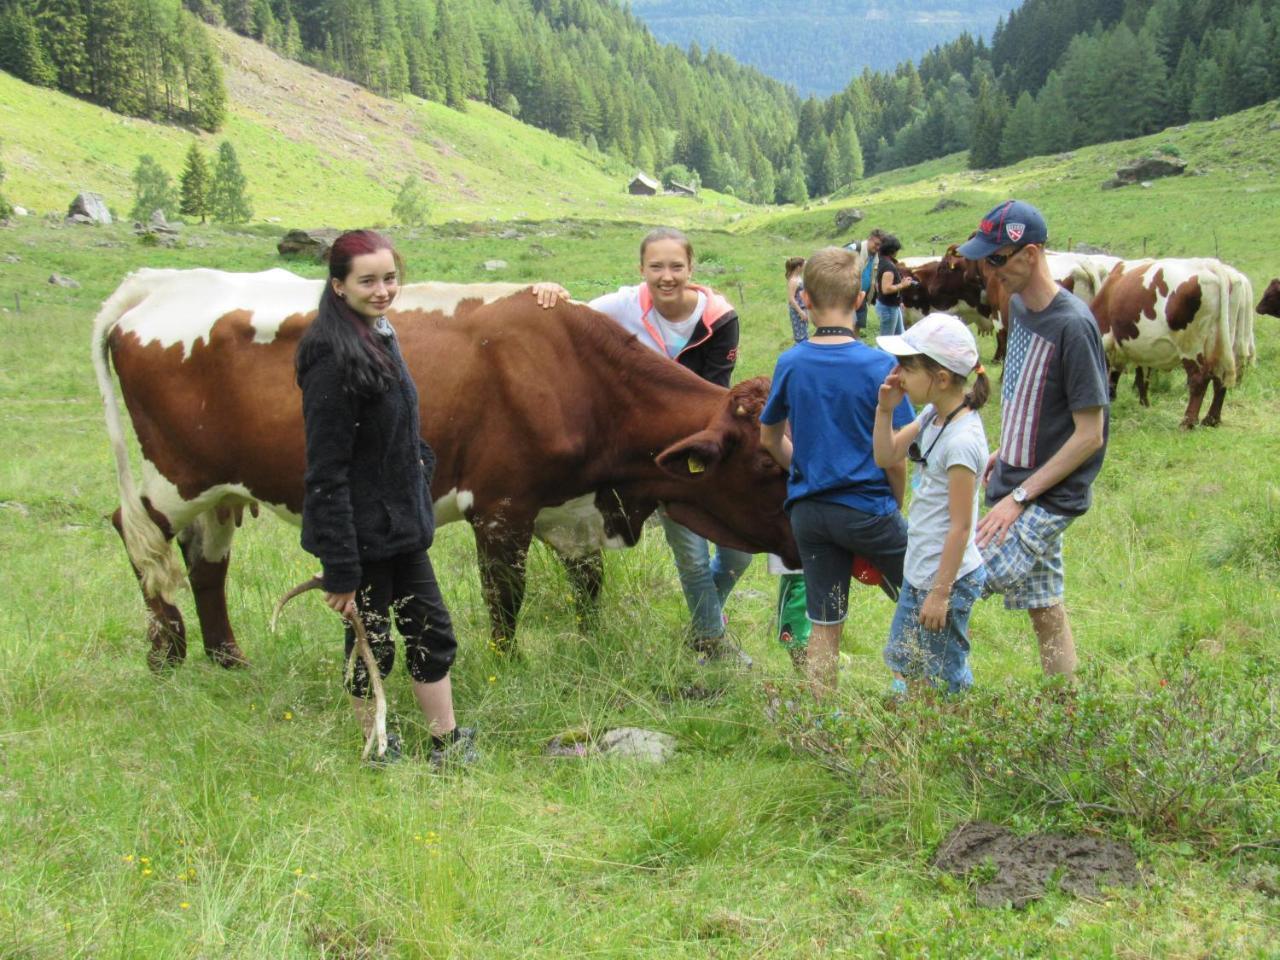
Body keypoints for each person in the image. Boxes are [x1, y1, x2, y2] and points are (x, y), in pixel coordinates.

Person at [531, 228, 753, 665]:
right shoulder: (623, 305)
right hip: (660, 461)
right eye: (656, 266)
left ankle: (704, 621)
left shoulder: (720, 319)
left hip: (711, 446)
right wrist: (552, 290)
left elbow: (713, 394)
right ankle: (711, 640)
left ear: (691, 268)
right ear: (641, 270)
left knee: (738, 552)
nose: (666, 276)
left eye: (676, 266)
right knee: (690, 555)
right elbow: (569, 314)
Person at [296, 229, 476, 766]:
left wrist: (418, 467)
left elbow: (396, 427)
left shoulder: (378, 333)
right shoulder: (330, 356)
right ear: (337, 286)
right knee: (370, 640)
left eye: (390, 277)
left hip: (401, 526)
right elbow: (325, 472)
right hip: (363, 534)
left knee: (431, 630)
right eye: (368, 280)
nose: (382, 290)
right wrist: (340, 568)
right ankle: (375, 745)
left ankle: (444, 741)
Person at [956, 200, 1109, 678]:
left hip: (1048, 495)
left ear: (1033, 253)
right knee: (1045, 608)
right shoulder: (1018, 306)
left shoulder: (1074, 326)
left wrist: (1019, 497)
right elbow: (1026, 390)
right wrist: (1006, 449)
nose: (990, 271)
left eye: (998, 258)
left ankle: (926, 696)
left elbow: (1089, 436)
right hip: (1015, 475)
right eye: (986, 259)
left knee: (962, 579)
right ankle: (1067, 715)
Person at [759, 246, 915, 702]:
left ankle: (822, 718)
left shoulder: (791, 362)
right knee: (921, 597)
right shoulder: (878, 365)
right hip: (868, 508)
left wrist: (805, 470)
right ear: (863, 297)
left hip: (809, 513)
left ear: (804, 298)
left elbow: (769, 438)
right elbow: (897, 454)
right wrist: (895, 504)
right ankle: (920, 692)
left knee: (825, 621)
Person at [873, 313, 991, 696]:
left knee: (945, 671)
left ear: (941, 378)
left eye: (908, 366)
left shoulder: (961, 441)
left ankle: (957, 732)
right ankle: (923, 730)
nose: (899, 374)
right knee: (906, 659)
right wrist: (885, 410)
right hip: (922, 567)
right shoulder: (933, 416)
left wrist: (941, 593)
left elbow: (960, 526)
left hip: (947, 578)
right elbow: (886, 454)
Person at [843, 228, 886, 335]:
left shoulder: (875, 256)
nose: (878, 247)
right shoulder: (853, 249)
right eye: (876, 244)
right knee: (847, 326)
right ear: (870, 239)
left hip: (862, 296)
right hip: (848, 296)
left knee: (858, 325)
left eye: (880, 246)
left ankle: (854, 345)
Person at [874, 234, 917, 339]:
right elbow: (886, 289)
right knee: (887, 339)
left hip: (892, 305)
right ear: (892, 251)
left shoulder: (883, 262)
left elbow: (878, 285)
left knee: (899, 336)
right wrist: (902, 285)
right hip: (888, 307)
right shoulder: (888, 267)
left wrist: (899, 300)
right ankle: (881, 355)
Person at [785, 256, 808, 342]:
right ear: (799, 267)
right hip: (797, 310)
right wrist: (800, 312)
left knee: (804, 333)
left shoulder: (799, 278)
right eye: (804, 265)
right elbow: (791, 299)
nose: (805, 266)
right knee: (800, 336)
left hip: (802, 308)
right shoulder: (793, 281)